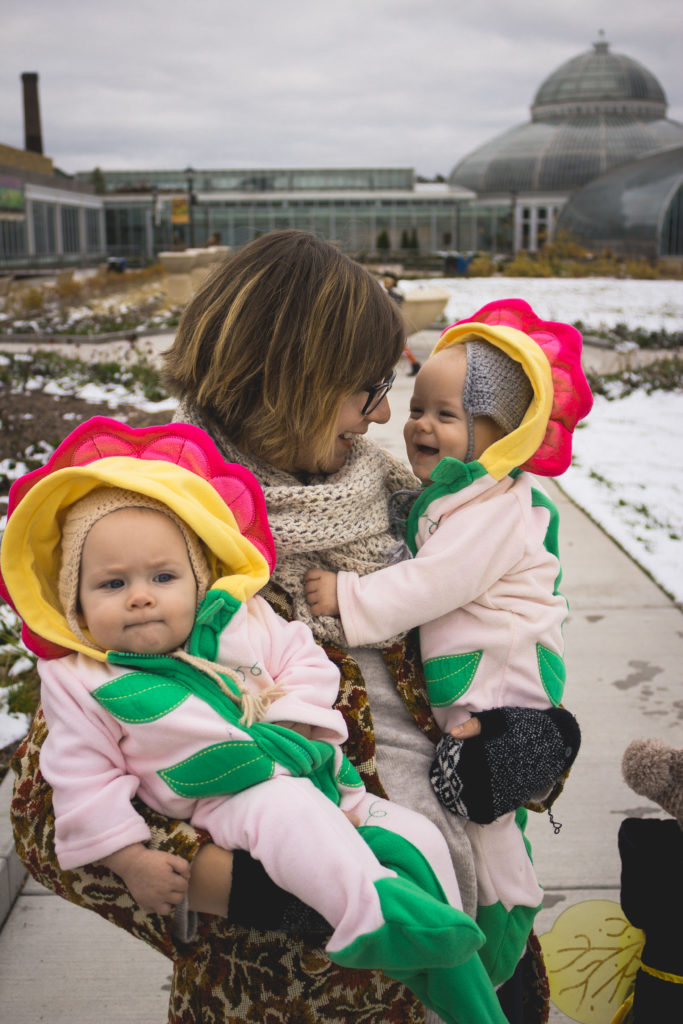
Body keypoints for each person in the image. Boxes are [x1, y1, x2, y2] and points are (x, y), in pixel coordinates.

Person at [7, 231, 551, 1023]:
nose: (382, 413)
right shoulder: (152, 538)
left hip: (485, 938)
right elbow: (45, 815)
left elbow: (505, 649)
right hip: (299, 993)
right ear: (292, 380)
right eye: (366, 387)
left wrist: (535, 743)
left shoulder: (416, 507)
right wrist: (271, 891)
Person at [1, 416, 500, 1024]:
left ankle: (460, 984)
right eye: (112, 584)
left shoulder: (242, 615)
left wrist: (294, 721)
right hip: (230, 806)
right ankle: (372, 919)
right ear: (74, 602)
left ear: (199, 579)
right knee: (286, 812)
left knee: (419, 839)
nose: (140, 595)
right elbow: (77, 788)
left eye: (163, 577)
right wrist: (134, 861)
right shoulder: (84, 679)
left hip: (321, 777)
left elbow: (306, 662)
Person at [304, 299, 591, 980]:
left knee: (487, 811)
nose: (414, 424)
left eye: (446, 414)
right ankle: (494, 919)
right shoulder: (458, 497)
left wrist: (348, 597)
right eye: (415, 408)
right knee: (479, 808)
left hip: (499, 675)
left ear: (500, 437)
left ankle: (507, 913)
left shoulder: (496, 508)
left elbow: (432, 582)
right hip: (471, 673)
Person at [380, 272, 422, 375]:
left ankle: (415, 364)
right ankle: (414, 364)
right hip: (394, 323)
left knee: (401, 347)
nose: (386, 284)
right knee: (398, 347)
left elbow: (393, 309)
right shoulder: (391, 293)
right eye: (385, 282)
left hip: (395, 324)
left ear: (393, 282)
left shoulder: (394, 294)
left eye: (388, 282)